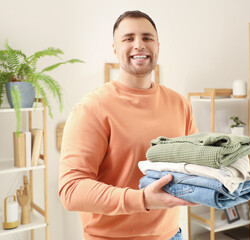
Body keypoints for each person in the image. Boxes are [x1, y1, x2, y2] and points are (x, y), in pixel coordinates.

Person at [58, 10, 198, 240]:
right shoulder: (92, 107)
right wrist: (142, 199)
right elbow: (71, 190)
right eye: (128, 38)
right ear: (115, 48)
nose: (139, 45)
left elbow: (193, 165)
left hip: (173, 235)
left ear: (158, 46)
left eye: (147, 38)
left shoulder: (179, 104)